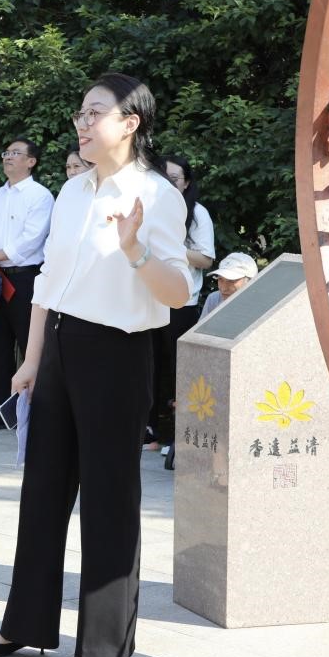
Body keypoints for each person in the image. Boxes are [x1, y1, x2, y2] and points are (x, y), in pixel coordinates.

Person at [0, 72, 191, 657]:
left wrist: (136, 248)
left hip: (118, 352)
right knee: (41, 491)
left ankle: (103, 643)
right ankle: (25, 625)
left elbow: (177, 291)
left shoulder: (156, 196)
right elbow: (48, 283)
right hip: (60, 347)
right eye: (80, 114)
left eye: (95, 113)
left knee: (109, 496)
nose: (82, 124)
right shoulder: (70, 192)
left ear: (130, 123)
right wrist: (32, 361)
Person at [0, 138, 54, 429]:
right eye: (6, 152)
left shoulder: (40, 196)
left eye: (16, 153)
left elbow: (32, 238)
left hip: (25, 278)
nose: (8, 157)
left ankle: (36, 411)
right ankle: (2, 412)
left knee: (31, 344)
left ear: (31, 161)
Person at [145, 156, 214, 450]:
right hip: (148, 299)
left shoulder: (197, 213)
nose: (168, 183)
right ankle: (148, 432)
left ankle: (177, 438)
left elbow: (206, 258)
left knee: (178, 370)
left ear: (186, 183)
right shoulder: (148, 208)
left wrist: (171, 249)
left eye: (174, 179)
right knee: (148, 367)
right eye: (162, 177)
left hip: (181, 302)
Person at [200, 252, 258, 317]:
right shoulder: (214, 299)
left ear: (250, 281)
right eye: (220, 279)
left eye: (231, 281)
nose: (223, 289)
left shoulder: (260, 305)